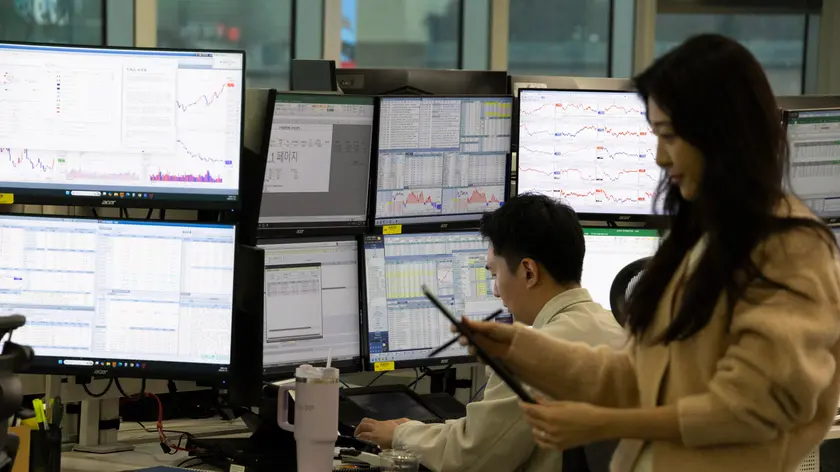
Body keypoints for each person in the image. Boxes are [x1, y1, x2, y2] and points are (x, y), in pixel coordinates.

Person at [458, 34, 840, 472]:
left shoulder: (789, 248)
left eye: (669, 136)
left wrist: (604, 424)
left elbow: (751, 409)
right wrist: (516, 347)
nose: (659, 157)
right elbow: (634, 379)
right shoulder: (705, 242)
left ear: (721, 135)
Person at [354, 193, 627, 472]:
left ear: (529, 272)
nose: (496, 291)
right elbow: (491, 436)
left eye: (495, 274)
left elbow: (472, 458)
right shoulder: (618, 329)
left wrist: (401, 435)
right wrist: (420, 431)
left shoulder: (533, 355)